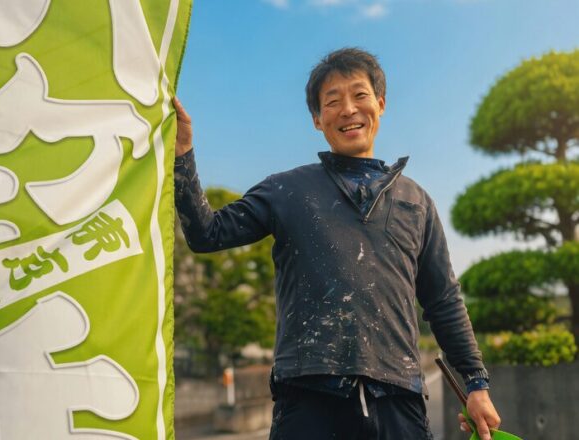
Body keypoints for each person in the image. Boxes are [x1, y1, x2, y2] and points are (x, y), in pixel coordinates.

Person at [173, 48, 501, 440]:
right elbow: (207, 233)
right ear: (317, 119)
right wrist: (182, 155)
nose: (348, 109)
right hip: (308, 400)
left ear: (380, 104)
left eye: (360, 95)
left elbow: (443, 300)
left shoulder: (416, 202)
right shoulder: (286, 190)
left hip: (398, 400)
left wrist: (476, 383)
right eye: (332, 101)